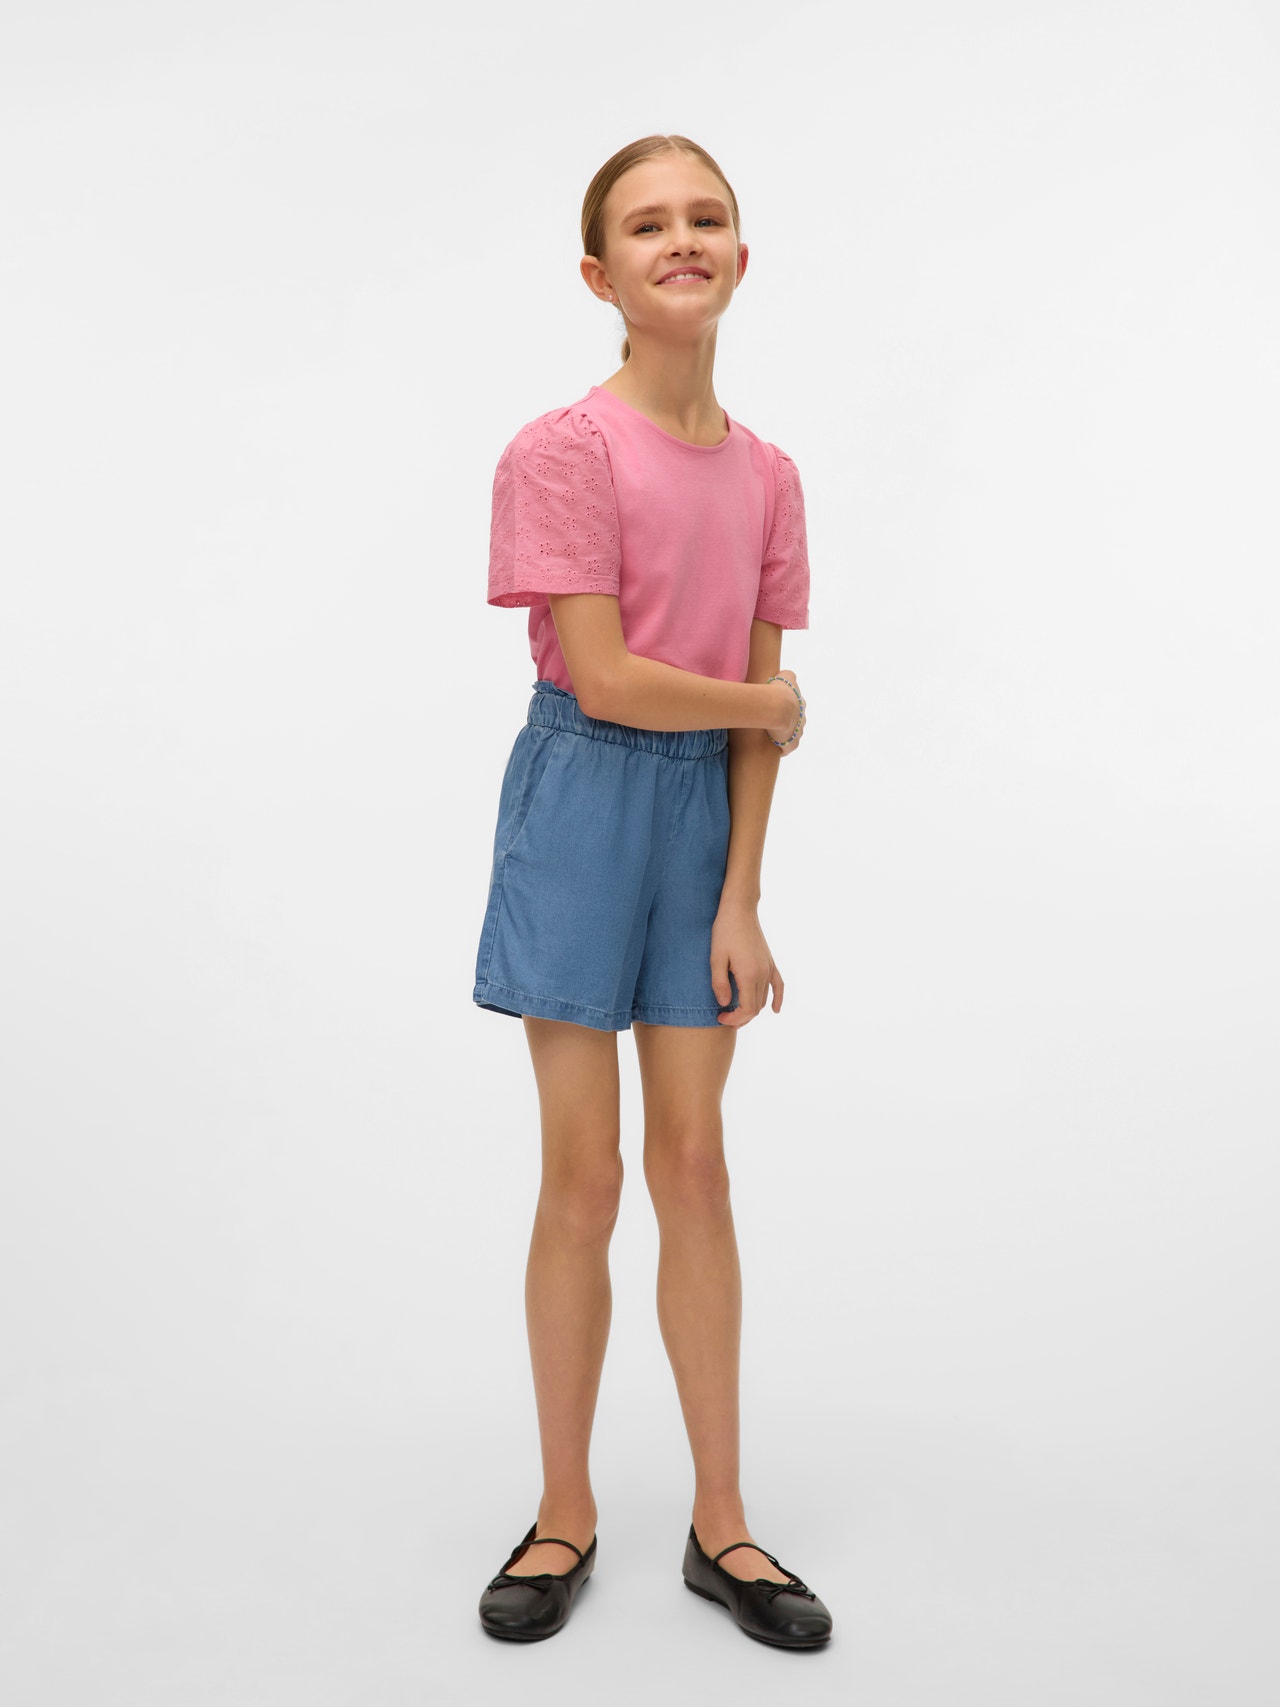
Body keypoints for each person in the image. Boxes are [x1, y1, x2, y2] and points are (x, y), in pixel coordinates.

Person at [471, 134, 832, 1649]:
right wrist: (770, 708)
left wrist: (740, 896)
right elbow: (613, 676)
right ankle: (564, 1509)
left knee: (696, 1164)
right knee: (585, 1174)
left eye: (706, 217)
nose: (680, 239)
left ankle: (722, 1522)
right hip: (582, 797)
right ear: (599, 275)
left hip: (702, 824)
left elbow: (754, 725)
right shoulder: (562, 452)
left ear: (742, 257)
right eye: (646, 224)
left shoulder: (771, 477)